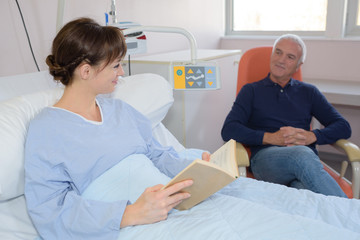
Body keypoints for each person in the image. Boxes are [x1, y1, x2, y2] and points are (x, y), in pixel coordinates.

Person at [24, 17, 210, 239]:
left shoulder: (120, 110)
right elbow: (49, 210)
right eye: (115, 65)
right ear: (86, 71)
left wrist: (197, 168)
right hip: (127, 226)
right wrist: (130, 213)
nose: (121, 72)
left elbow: (158, 154)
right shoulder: (46, 130)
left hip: (171, 207)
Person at [221, 34, 351, 198]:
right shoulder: (251, 91)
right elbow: (229, 129)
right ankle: (353, 215)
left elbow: (343, 126)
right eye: (278, 52)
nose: (281, 60)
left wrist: (313, 136)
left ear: (298, 65)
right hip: (266, 160)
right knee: (302, 155)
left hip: (305, 162)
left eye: (290, 57)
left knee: (303, 192)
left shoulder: (309, 92)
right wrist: (270, 138)